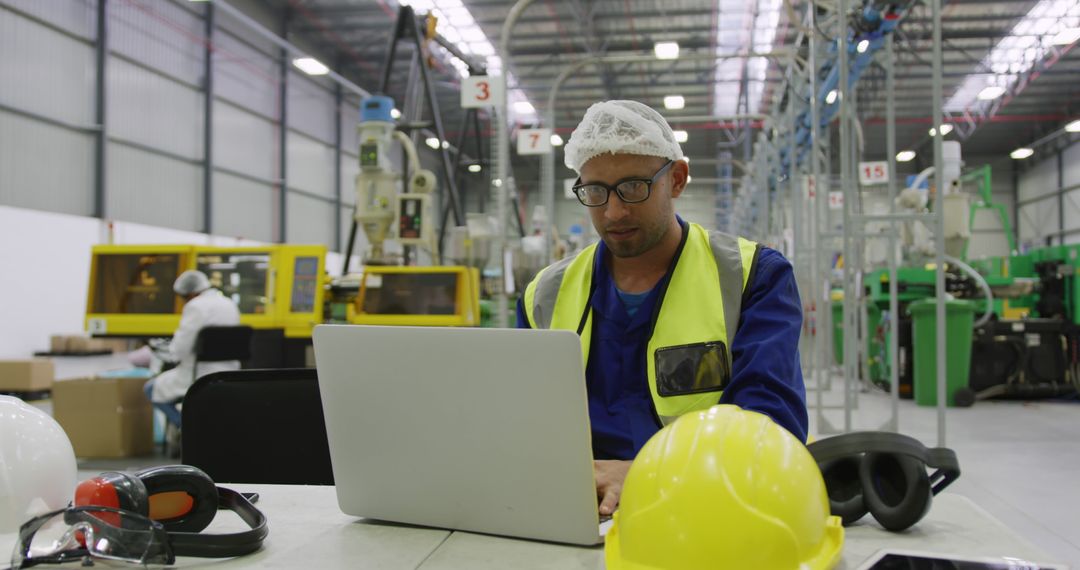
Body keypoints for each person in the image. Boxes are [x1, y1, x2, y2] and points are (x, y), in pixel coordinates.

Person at [517, 100, 807, 516]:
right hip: (579, 511)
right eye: (595, 192)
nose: (614, 212)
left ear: (677, 179)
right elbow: (523, 424)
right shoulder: (545, 295)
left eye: (633, 187)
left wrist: (648, 474)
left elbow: (772, 428)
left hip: (713, 509)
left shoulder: (751, 278)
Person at [143, 270, 241, 428]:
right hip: (230, 373)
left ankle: (189, 430)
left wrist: (171, 350)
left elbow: (180, 349)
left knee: (150, 389)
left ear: (189, 294)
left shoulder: (195, 306)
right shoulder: (228, 303)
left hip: (199, 375)